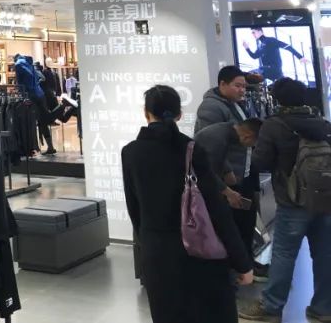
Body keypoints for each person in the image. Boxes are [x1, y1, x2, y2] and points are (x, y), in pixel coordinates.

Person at [123, 85, 253, 323]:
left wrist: (148, 246)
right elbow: (217, 210)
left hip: (158, 254)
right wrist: (241, 262)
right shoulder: (192, 150)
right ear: (179, 114)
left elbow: (135, 210)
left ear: (145, 113)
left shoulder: (130, 153)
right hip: (200, 251)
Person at [239, 79, 331, 322]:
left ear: (278, 99)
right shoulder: (321, 122)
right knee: (325, 253)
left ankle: (271, 307)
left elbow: (261, 162)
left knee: (284, 254)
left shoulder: (274, 125)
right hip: (325, 200)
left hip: (292, 201)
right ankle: (324, 308)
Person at [195, 118, 264, 264]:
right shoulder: (217, 138)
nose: (252, 147)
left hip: (209, 186)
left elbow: (214, 157)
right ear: (248, 136)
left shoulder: (225, 132)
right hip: (199, 190)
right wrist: (228, 192)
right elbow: (206, 173)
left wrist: (227, 170)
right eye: (254, 144)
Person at [15, 55, 56, 155]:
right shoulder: (30, 64)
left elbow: (20, 83)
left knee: (30, 122)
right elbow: (40, 77)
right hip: (40, 94)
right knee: (43, 121)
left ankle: (30, 148)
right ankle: (50, 147)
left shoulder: (18, 65)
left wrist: (22, 95)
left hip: (31, 96)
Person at [195, 65, 251, 133]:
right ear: (223, 84)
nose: (242, 90)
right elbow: (209, 137)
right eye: (237, 86)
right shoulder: (210, 107)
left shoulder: (236, 102)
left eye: (244, 86)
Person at [244, 27, 309, 83]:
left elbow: (287, 46)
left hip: (274, 68)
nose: (253, 34)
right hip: (268, 70)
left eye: (254, 32)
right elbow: (254, 56)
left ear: (260, 32)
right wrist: (247, 48)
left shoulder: (270, 40)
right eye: (252, 33)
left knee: (249, 75)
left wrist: (300, 57)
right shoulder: (260, 45)